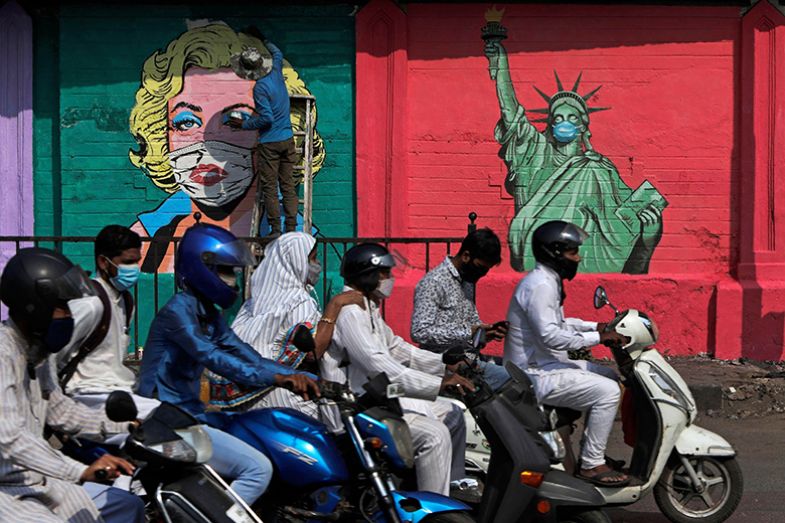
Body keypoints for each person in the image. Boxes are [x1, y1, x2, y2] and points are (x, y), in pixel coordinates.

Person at [137, 223, 320, 504]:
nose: (232, 278)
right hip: (164, 422)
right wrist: (276, 380)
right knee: (256, 469)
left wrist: (301, 378)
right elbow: (213, 357)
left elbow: (246, 354)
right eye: (225, 270)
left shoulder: (208, 313)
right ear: (203, 268)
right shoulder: (179, 311)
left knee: (258, 436)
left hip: (190, 416)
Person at [128, 23, 325, 271]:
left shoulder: (306, 245)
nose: (208, 145)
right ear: (161, 133)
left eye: (234, 121)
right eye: (186, 122)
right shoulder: (148, 240)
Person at [483, 38, 665, 274]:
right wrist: (502, 68)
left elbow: (624, 219)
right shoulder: (535, 152)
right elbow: (512, 115)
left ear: (582, 127)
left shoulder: (599, 169)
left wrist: (648, 236)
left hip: (587, 265)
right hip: (537, 259)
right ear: (549, 125)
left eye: (572, 118)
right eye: (557, 118)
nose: (564, 123)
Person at [320, 243, 478, 498]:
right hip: (354, 409)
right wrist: (438, 384)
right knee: (434, 435)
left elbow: (397, 348)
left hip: (378, 398)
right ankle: (433, 510)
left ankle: (451, 484)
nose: (390, 279)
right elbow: (381, 365)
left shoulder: (367, 306)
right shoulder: (350, 313)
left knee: (453, 414)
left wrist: (443, 364)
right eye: (385, 274)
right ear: (367, 275)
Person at [0, 247, 144, 523]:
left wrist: (125, 428)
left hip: (38, 480)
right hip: (5, 488)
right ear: (34, 306)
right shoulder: (3, 353)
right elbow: (9, 437)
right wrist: (77, 471)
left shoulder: (37, 353)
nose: (69, 315)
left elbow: (61, 411)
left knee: (123, 507)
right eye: (62, 307)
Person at [503, 221, 630, 486]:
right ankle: (591, 465)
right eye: (573, 252)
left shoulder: (546, 280)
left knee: (608, 375)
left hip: (544, 365)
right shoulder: (541, 286)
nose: (578, 257)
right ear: (555, 253)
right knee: (608, 392)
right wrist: (598, 337)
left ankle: (589, 452)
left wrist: (595, 326)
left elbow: (556, 323)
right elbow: (550, 335)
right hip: (531, 375)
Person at [209, 232, 362, 416]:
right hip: (284, 395)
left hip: (241, 398)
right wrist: (335, 305)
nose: (317, 265)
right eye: (312, 259)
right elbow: (313, 353)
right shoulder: (298, 300)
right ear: (296, 261)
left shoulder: (254, 301)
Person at [411, 227, 510, 391]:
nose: (482, 274)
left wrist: (485, 334)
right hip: (442, 366)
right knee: (512, 382)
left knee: (519, 379)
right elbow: (420, 332)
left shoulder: (467, 281)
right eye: (480, 267)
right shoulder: (434, 282)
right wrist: (468, 331)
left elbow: (471, 326)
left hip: (469, 360)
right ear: (466, 256)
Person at [227, 35, 297, 238]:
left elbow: (266, 119)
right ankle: (291, 228)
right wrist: (264, 39)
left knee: (270, 188)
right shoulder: (276, 70)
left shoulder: (259, 88)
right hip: (287, 139)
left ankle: (275, 229)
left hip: (270, 143)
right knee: (288, 185)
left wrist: (244, 124)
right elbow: (277, 52)